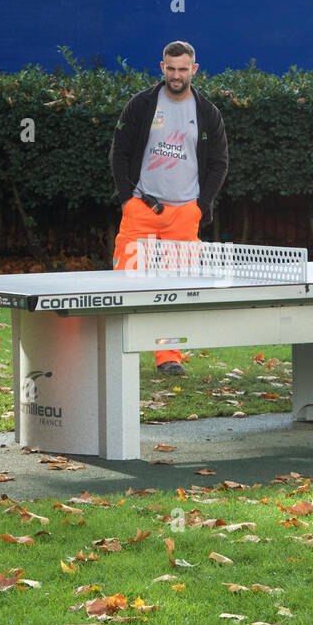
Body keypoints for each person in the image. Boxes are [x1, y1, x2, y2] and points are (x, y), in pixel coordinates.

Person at [109, 40, 229, 376]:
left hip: (184, 214)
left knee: (176, 289)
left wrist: (201, 207)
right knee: (126, 284)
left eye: (183, 68)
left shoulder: (208, 112)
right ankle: (122, 353)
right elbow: (119, 153)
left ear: (194, 69)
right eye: (171, 68)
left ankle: (168, 356)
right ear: (162, 67)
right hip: (141, 207)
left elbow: (219, 163)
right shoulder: (141, 105)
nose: (176, 75)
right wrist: (127, 198)